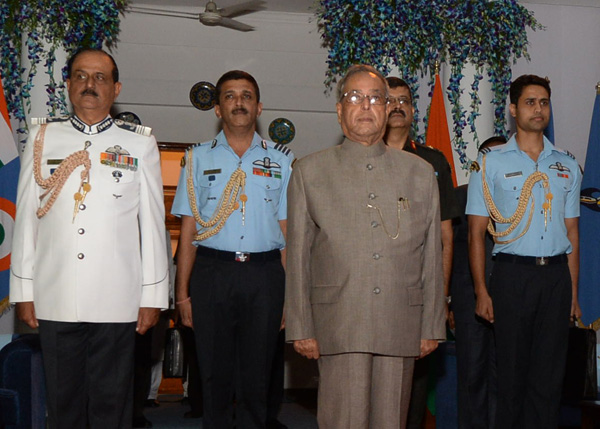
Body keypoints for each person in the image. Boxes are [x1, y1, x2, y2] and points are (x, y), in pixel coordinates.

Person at [10, 48, 169, 429]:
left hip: (117, 298)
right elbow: (27, 220)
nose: (90, 84)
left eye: (100, 77)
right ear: (67, 85)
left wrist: (152, 297)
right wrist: (23, 291)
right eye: (81, 76)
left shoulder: (138, 144)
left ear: (116, 88)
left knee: (111, 404)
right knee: (62, 403)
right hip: (55, 295)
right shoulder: (42, 137)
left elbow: (153, 225)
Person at [285, 64, 446, 429]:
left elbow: (431, 255)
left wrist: (431, 324)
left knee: (392, 420)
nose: (365, 106)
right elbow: (297, 257)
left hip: (400, 320)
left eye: (376, 98)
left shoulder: (420, 173)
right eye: (355, 97)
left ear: (389, 110)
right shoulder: (310, 171)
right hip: (338, 322)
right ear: (340, 110)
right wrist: (301, 325)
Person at [171, 70, 294, 429]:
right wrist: (182, 295)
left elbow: (288, 231)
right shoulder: (195, 159)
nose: (238, 102)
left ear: (259, 107)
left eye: (246, 96)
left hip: (265, 275)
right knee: (213, 372)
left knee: (259, 373)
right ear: (217, 109)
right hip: (212, 272)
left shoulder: (283, 160)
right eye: (229, 96)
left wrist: (289, 296)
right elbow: (189, 228)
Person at [466, 74, 582, 428]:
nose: (538, 109)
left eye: (544, 102)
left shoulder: (566, 164)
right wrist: (481, 291)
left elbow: (572, 231)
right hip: (512, 277)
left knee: (549, 379)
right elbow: (474, 235)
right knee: (512, 378)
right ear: (514, 109)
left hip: (555, 279)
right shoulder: (490, 163)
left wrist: (573, 295)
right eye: (530, 102)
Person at [385, 76, 461, 428]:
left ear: (413, 111)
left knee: (415, 380)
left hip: (417, 288)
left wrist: (441, 296)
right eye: (391, 100)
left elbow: (446, 235)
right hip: (369, 286)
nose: (398, 106)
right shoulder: (359, 157)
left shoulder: (432, 161)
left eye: (405, 100)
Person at [452, 136, 505, 429]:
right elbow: (450, 250)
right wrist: (447, 301)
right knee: (471, 375)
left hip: (509, 297)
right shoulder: (460, 196)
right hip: (468, 301)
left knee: (504, 376)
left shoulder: (519, 196)